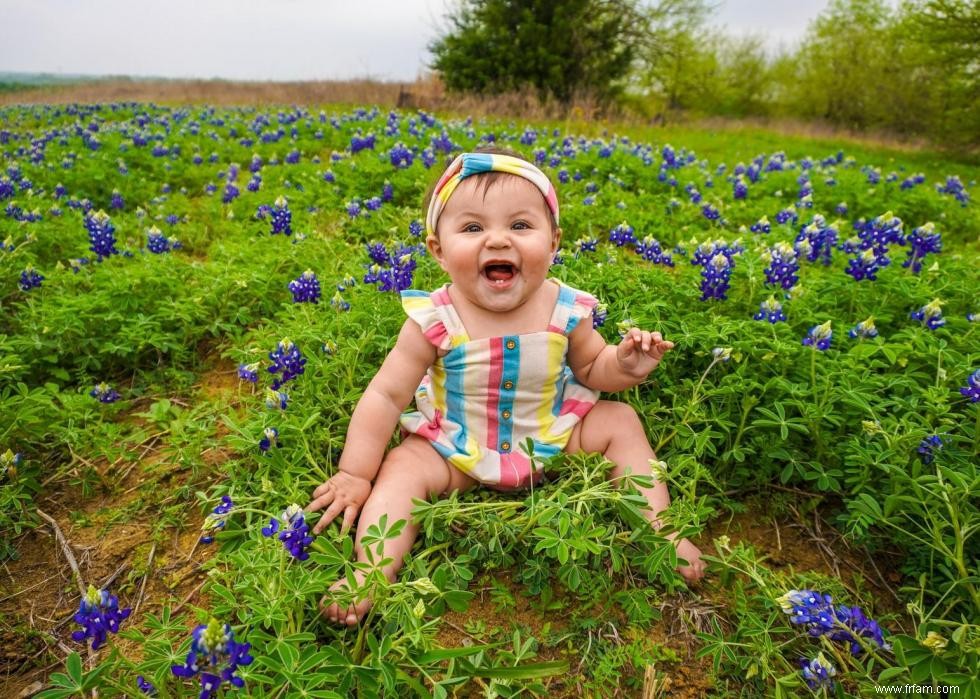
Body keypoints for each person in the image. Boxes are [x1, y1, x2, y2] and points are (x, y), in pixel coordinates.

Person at [306, 147, 706, 626]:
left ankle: (659, 531)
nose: (498, 239)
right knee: (402, 467)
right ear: (437, 249)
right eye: (472, 228)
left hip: (551, 435)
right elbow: (386, 396)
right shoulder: (434, 319)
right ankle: (372, 568)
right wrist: (355, 472)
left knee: (619, 419)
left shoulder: (565, 308)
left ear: (554, 242)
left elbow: (593, 370)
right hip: (457, 445)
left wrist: (624, 363)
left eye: (520, 226)